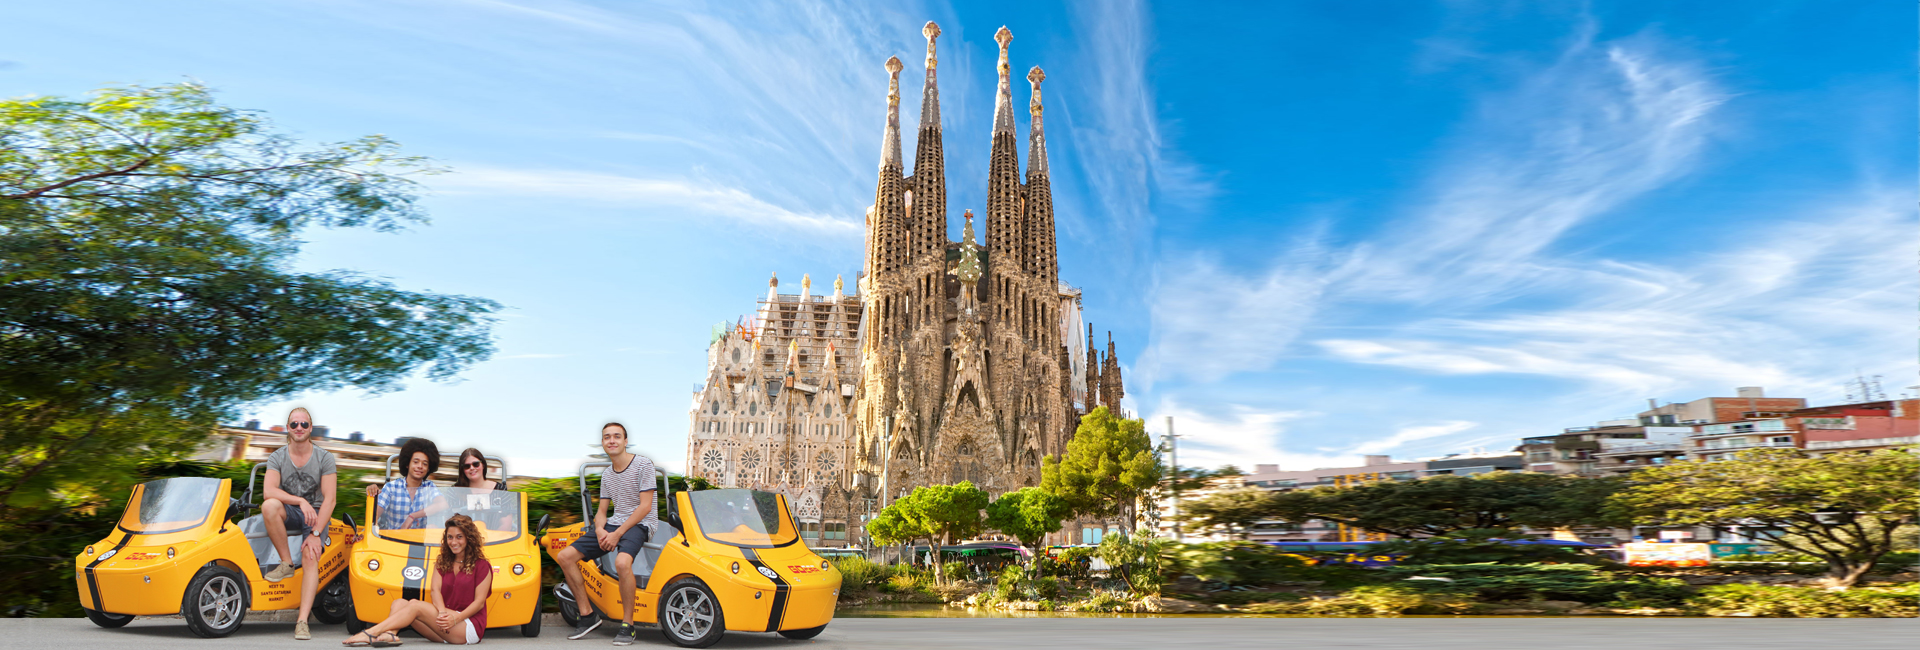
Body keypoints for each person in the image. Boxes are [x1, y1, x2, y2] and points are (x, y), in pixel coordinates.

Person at [555, 423, 658, 646]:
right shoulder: (607, 475)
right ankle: (587, 615)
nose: (612, 440)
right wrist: (601, 530)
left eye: (616, 437)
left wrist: (617, 534)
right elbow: (602, 512)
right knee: (564, 557)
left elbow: (645, 507)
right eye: (607, 437)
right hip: (615, 523)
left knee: (622, 563)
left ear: (625, 441)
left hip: (640, 523)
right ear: (603, 443)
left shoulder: (643, 464)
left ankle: (627, 625)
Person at [343, 514, 492, 647]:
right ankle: (390, 635)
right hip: (444, 623)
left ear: (469, 538)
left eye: (459, 537)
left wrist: (456, 618)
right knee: (399, 603)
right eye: (450, 537)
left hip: (467, 625)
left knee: (415, 605)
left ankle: (370, 632)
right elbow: (435, 591)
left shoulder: (482, 565)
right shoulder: (443, 562)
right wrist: (441, 613)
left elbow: (479, 603)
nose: (453, 542)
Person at [262, 407, 338, 641]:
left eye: (304, 424)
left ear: (310, 428)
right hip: (294, 508)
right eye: (294, 424)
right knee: (269, 506)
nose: (299, 428)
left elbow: (330, 499)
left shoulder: (324, 457)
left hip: (316, 513)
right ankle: (286, 562)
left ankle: (302, 621)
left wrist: (315, 533)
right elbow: (268, 491)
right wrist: (300, 501)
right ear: (288, 428)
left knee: (309, 555)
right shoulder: (278, 456)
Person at [368, 438, 445, 530]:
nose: (420, 466)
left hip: (420, 542)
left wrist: (413, 516)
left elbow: (442, 504)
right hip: (393, 541)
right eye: (416, 462)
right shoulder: (391, 487)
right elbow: (374, 516)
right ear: (407, 464)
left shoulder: (429, 486)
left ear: (428, 468)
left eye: (424, 464)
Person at [450, 448, 513, 532]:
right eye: (467, 466)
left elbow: (506, 524)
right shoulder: (454, 491)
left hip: (495, 541)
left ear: (483, 465)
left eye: (476, 464)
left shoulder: (500, 490)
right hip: (463, 542)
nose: (472, 468)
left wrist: (493, 541)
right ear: (463, 470)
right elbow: (450, 522)